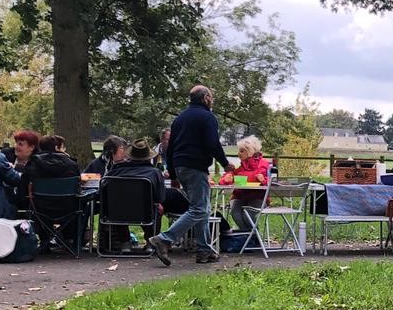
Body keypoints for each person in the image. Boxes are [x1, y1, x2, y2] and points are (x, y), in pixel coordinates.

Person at [150, 85, 232, 266]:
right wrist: (225, 163)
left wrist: (173, 174)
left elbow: (169, 148)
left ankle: (204, 250)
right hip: (195, 166)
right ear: (205, 99)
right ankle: (164, 239)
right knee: (199, 209)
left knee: (201, 207)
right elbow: (213, 143)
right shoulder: (207, 117)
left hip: (180, 166)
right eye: (211, 97)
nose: (212, 100)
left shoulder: (179, 119)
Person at [106, 139, 168, 241]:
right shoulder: (154, 173)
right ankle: (151, 240)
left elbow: (104, 191)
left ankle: (124, 241)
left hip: (118, 213)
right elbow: (160, 197)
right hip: (146, 212)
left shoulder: (116, 171)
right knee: (157, 208)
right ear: (148, 157)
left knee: (117, 206)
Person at [218, 135, 271, 234]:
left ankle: (251, 237)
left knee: (248, 216)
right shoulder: (239, 167)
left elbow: (273, 181)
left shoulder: (264, 165)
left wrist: (263, 180)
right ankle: (248, 236)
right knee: (235, 213)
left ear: (250, 151)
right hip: (240, 196)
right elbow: (223, 181)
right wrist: (226, 179)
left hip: (258, 197)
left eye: (242, 151)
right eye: (239, 151)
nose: (238, 154)